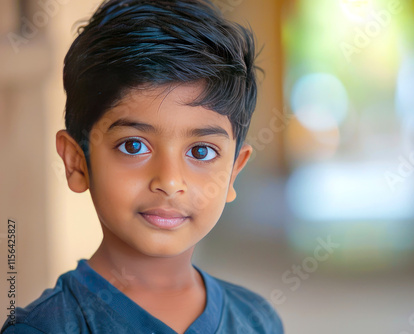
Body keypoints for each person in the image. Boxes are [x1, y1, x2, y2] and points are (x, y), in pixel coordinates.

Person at [1, 0, 284, 333]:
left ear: (234, 171)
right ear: (77, 163)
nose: (170, 180)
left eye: (202, 151)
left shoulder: (257, 320)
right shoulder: (46, 328)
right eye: (134, 146)